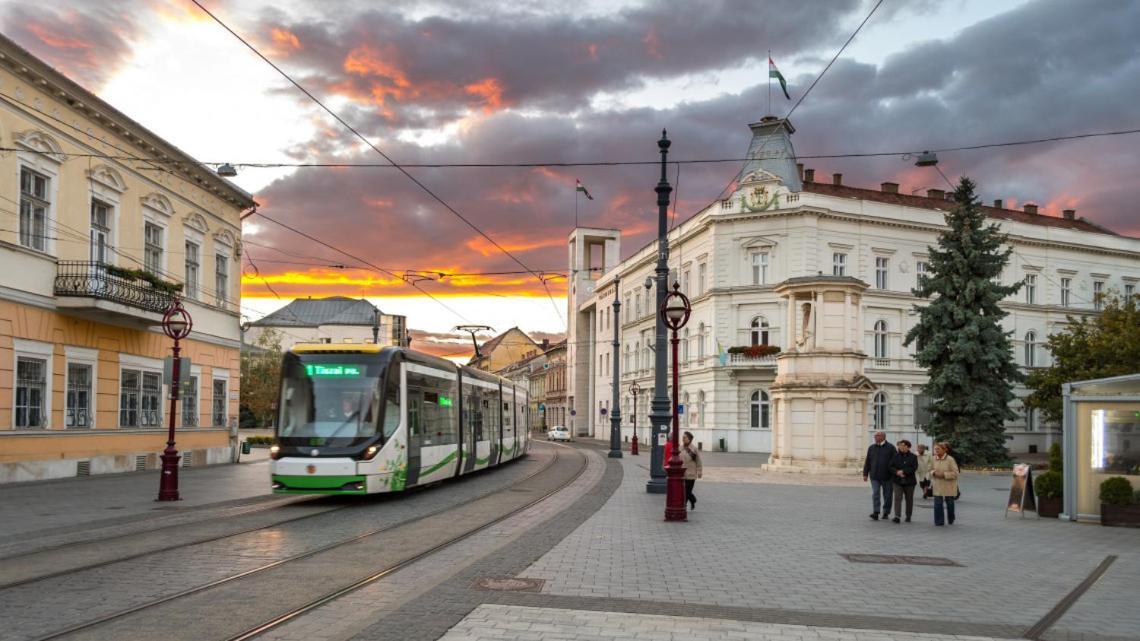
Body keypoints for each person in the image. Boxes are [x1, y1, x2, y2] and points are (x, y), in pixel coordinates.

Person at [863, 431, 897, 521]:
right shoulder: (871, 448)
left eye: (877, 436)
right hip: (874, 476)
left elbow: (895, 462)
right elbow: (868, 461)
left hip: (887, 476)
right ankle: (876, 512)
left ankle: (886, 512)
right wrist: (865, 474)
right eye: (875, 436)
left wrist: (894, 472)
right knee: (875, 494)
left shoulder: (891, 448)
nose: (875, 437)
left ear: (883, 437)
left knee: (888, 495)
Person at [888, 440, 918, 523]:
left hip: (909, 481)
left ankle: (908, 516)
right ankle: (897, 516)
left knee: (909, 499)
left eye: (903, 445)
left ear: (908, 447)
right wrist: (897, 472)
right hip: (897, 481)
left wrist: (903, 471)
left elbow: (914, 468)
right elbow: (890, 466)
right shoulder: (895, 456)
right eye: (900, 445)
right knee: (897, 498)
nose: (901, 447)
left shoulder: (913, 457)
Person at [931, 441, 960, 526]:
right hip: (938, 485)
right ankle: (939, 521)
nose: (936, 450)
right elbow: (929, 469)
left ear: (944, 450)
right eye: (935, 449)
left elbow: (956, 473)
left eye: (938, 449)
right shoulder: (933, 458)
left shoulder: (950, 459)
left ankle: (951, 517)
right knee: (937, 503)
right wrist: (933, 473)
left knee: (950, 503)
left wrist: (944, 474)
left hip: (948, 485)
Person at [680, 431, 703, 510]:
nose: (683, 439)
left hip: (691, 473)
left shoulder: (694, 449)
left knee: (687, 491)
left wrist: (699, 471)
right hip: (682, 473)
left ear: (689, 439)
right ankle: (693, 500)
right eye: (682, 437)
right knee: (684, 491)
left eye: (684, 437)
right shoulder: (680, 448)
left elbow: (698, 461)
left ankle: (684, 506)